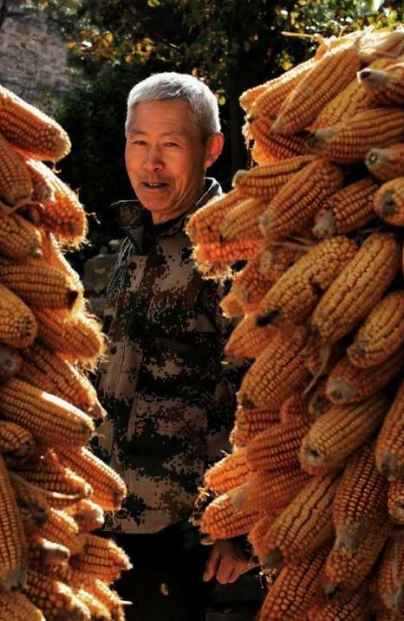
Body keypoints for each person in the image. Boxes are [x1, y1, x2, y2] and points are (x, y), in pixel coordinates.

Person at [93, 72, 254, 621]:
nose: (150, 163)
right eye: (139, 143)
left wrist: (243, 530)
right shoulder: (132, 244)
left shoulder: (234, 247)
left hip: (189, 537)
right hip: (109, 520)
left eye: (170, 145)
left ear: (210, 149)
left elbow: (269, 391)